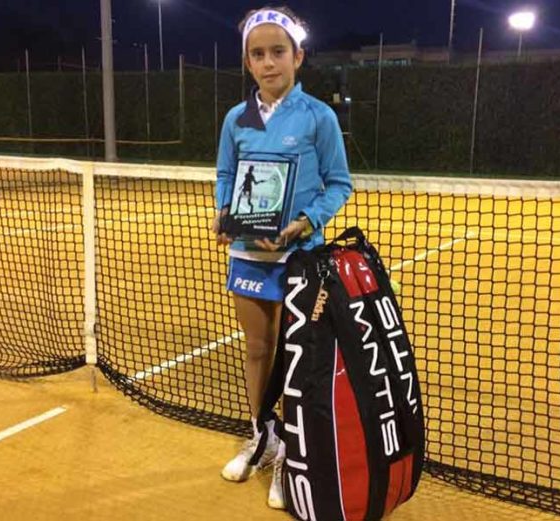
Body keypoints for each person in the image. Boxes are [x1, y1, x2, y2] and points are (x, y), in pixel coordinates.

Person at [211, 5, 352, 510]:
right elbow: (226, 175)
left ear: (298, 56)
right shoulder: (236, 119)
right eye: (257, 54)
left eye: (277, 52)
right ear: (247, 62)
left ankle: (293, 452)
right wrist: (224, 212)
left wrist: (307, 222)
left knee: (295, 361)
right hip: (248, 258)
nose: (268, 62)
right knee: (256, 351)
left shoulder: (320, 117)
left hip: (300, 260)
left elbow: (340, 184)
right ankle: (262, 436)